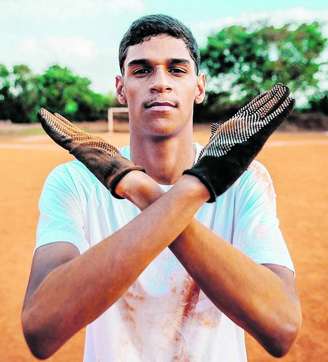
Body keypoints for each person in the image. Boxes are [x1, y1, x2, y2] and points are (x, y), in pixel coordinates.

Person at [21, 14, 302, 362]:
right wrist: (198, 187)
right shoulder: (75, 182)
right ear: (121, 88)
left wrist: (147, 191)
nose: (160, 82)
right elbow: (41, 329)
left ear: (199, 87)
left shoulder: (246, 180)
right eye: (141, 70)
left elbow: (281, 328)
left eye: (177, 69)